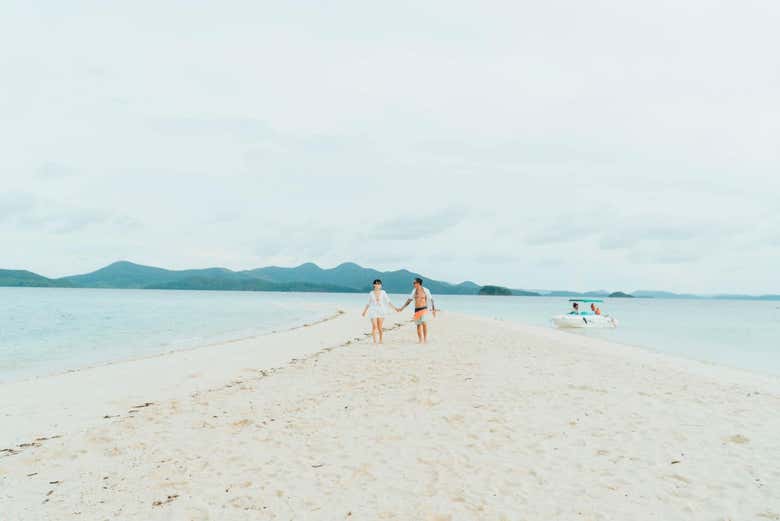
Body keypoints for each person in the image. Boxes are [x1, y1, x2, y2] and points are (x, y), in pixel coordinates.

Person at [398, 277, 436, 343]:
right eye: (413, 283)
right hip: (417, 309)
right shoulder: (414, 291)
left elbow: (431, 299)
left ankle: (425, 339)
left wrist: (433, 309)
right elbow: (409, 300)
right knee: (418, 325)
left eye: (414, 283)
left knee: (424, 323)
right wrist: (402, 308)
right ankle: (420, 340)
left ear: (418, 283)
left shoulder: (425, 290)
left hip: (424, 308)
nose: (413, 284)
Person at [361, 279, 397, 344]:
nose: (377, 285)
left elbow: (388, 302)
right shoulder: (371, 293)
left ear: (381, 285)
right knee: (374, 326)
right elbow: (368, 303)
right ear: (373, 285)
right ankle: (374, 341)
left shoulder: (383, 292)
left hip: (381, 311)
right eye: (376, 284)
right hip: (373, 310)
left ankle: (380, 340)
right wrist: (364, 311)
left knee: (380, 326)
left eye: (379, 284)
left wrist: (395, 308)